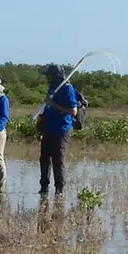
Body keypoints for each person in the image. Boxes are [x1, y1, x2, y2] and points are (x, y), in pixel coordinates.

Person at [36, 63, 80, 195]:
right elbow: (48, 105)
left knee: (57, 159)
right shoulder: (53, 87)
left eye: (49, 75)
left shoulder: (67, 89)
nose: (47, 78)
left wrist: (53, 104)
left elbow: (73, 111)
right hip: (48, 128)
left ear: (55, 75)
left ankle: (59, 189)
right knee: (44, 158)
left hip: (61, 129)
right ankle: (44, 187)